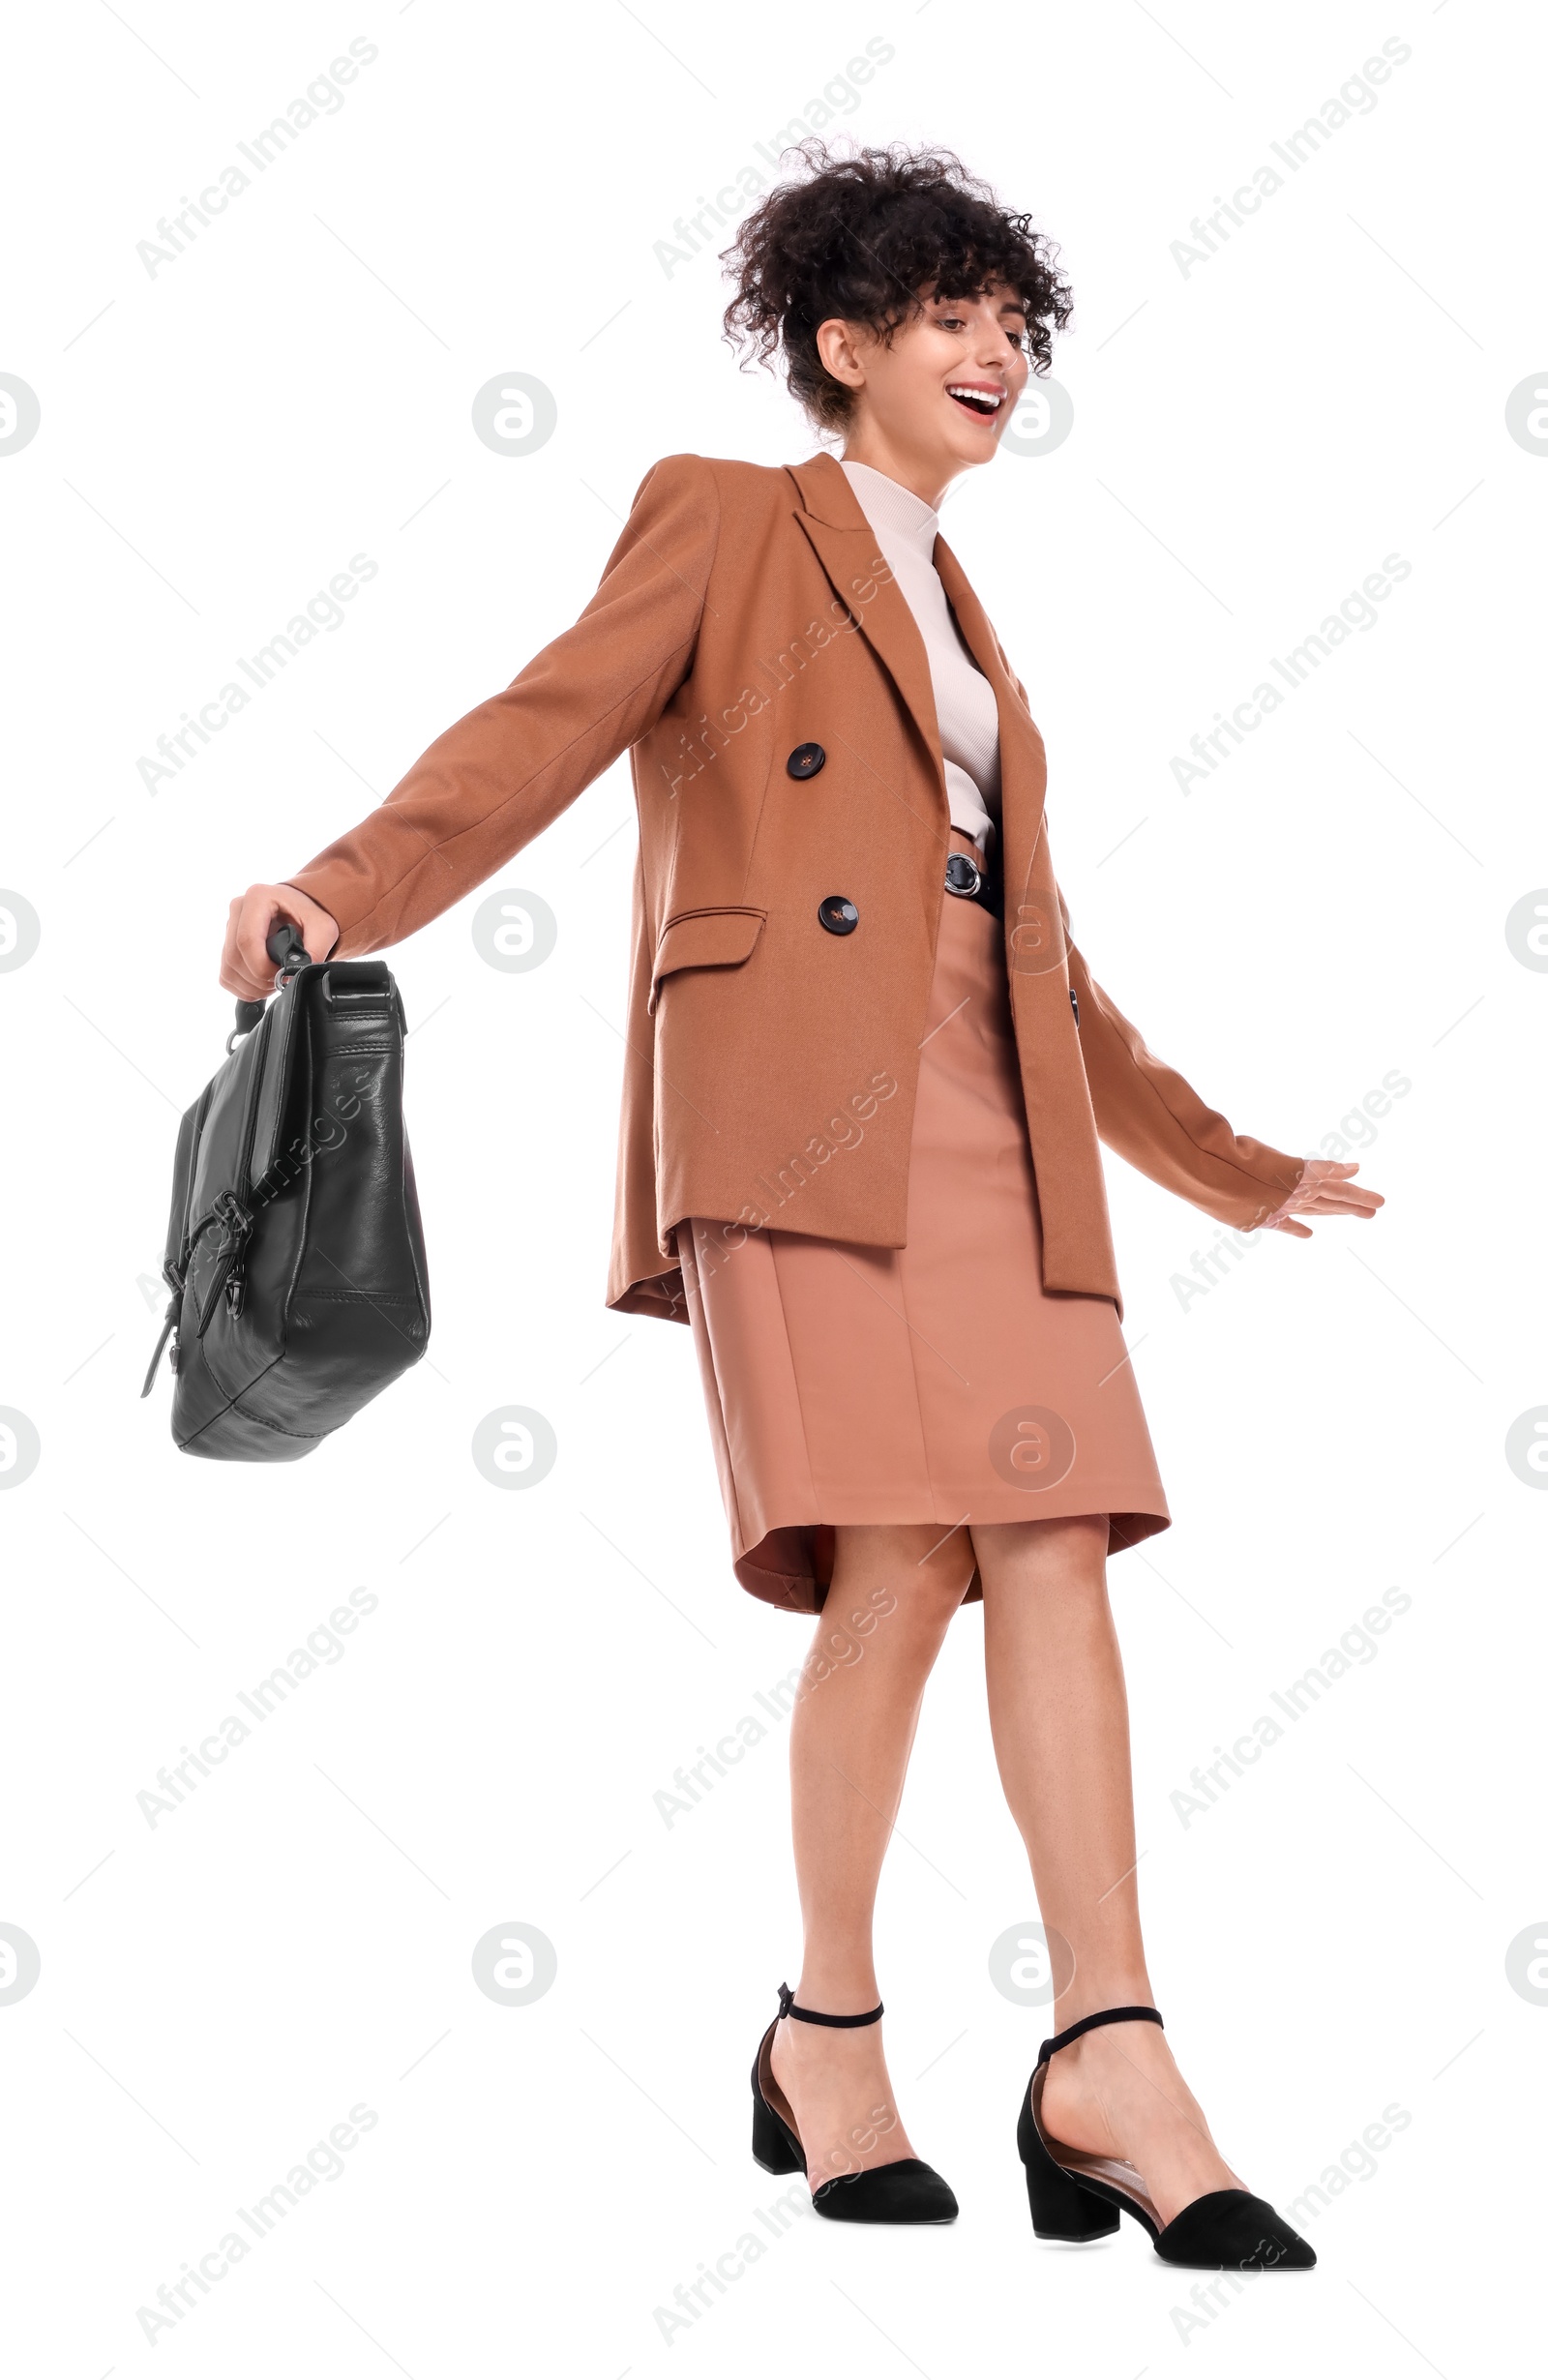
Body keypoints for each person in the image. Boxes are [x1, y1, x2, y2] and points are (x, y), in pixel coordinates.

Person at [221, 144, 1382, 2265]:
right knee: (898, 1569)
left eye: (1013, 328)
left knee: (1056, 1538)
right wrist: (337, 885)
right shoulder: (730, 517)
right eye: (947, 317)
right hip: (791, 1114)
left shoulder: (968, 617)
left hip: (991, 1120)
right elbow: (542, 726)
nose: (991, 357)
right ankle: (828, 2032)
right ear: (840, 346)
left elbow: (1033, 955)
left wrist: (1218, 1164)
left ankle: (1105, 2044)